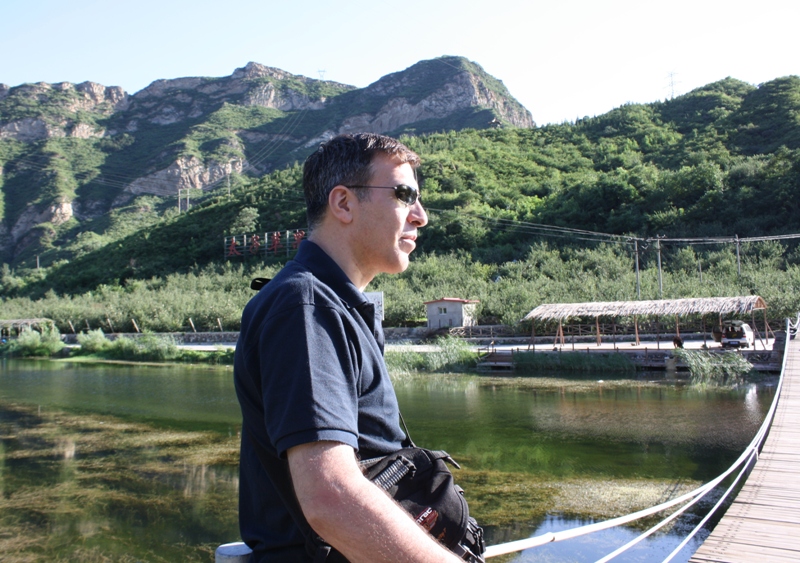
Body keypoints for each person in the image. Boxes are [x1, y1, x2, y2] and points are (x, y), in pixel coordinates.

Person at [234, 133, 464, 562]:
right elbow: (330, 496)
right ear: (343, 204)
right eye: (404, 195)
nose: (421, 216)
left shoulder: (330, 305)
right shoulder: (305, 306)